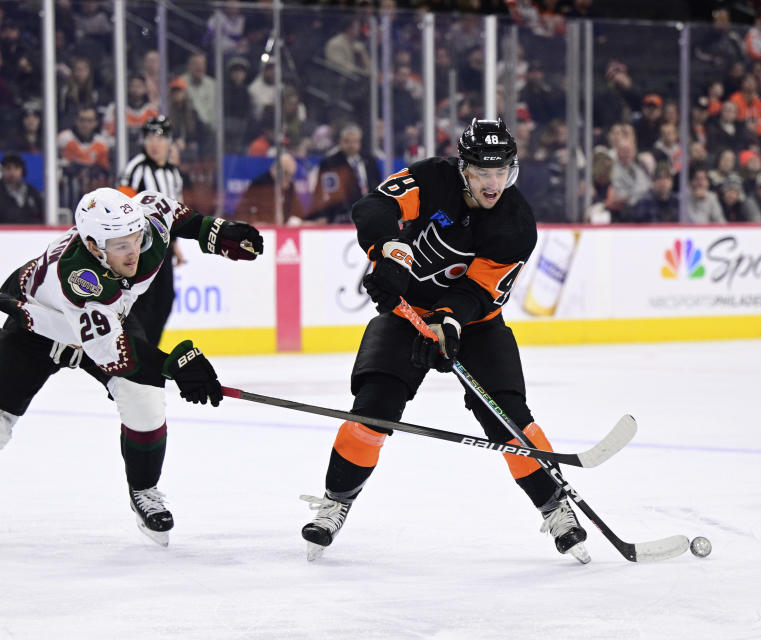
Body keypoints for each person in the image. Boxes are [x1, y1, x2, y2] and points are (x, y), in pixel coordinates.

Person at [0, 186, 264, 544]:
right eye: (120, 246)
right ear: (93, 247)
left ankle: (144, 492)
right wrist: (176, 366)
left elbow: (176, 215)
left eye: (136, 238)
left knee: (144, 401)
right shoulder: (80, 281)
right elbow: (117, 355)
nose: (134, 251)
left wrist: (213, 233)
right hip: (36, 330)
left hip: (104, 322)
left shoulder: (146, 221)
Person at [299, 117, 590, 564]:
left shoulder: (516, 223)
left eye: (501, 172)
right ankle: (337, 500)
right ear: (463, 169)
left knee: (508, 418)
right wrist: (390, 253)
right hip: (407, 314)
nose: (493, 184)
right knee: (374, 408)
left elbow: (476, 292)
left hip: (476, 325)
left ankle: (556, 508)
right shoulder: (430, 178)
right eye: (482, 173)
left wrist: (450, 323)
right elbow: (373, 209)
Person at [118, 115, 187, 347]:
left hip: (163, 249)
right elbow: (121, 206)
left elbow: (174, 214)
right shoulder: (136, 168)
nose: (154, 143)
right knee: (142, 303)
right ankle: (139, 351)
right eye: (149, 137)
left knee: (165, 299)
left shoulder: (173, 174)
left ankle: (149, 351)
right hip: (140, 250)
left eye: (160, 137)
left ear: (169, 142)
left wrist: (176, 246)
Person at [308, 123, 381, 224]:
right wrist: (321, 214)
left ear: (360, 143)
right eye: (347, 141)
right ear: (340, 142)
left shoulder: (369, 160)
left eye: (355, 142)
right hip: (341, 215)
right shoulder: (330, 163)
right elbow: (321, 192)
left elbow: (377, 185)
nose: (351, 145)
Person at [234, 152, 304, 225]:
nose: (289, 179)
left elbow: (296, 211)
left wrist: (295, 219)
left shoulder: (290, 187)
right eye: (286, 174)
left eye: (291, 175)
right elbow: (243, 211)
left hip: (283, 228)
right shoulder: (261, 184)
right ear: (276, 170)